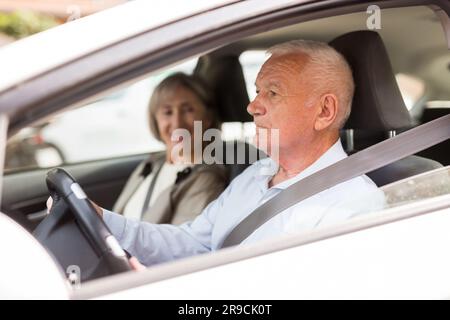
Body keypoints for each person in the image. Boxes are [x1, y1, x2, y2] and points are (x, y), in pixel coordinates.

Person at [49, 40, 385, 267]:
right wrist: (105, 221)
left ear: (324, 111)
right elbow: (191, 242)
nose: (253, 106)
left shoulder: (352, 206)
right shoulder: (255, 175)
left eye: (272, 92)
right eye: (256, 92)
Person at [113, 72, 227, 225]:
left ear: (207, 118)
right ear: (156, 120)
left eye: (188, 110)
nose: (177, 123)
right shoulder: (150, 164)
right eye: (167, 112)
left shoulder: (206, 176)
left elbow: (180, 244)